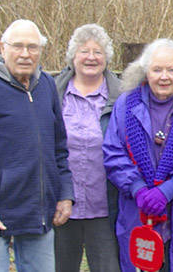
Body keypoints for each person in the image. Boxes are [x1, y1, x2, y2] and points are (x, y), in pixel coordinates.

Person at [103, 38, 173, 272]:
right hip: (138, 212)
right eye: (157, 69)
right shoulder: (126, 104)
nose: (164, 77)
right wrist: (138, 188)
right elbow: (114, 153)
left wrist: (168, 190)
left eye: (171, 70)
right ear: (145, 71)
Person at [0, 19, 74, 272]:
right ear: (2, 48)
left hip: (37, 211)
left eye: (32, 47)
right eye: (17, 46)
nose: (25, 54)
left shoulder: (47, 85)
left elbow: (59, 147)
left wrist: (64, 194)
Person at [54, 24, 121, 272]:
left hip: (105, 204)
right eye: (84, 51)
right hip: (61, 204)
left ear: (107, 59)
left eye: (98, 52)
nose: (91, 57)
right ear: (73, 56)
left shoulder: (122, 97)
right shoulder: (54, 93)